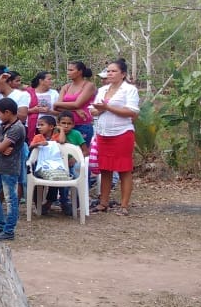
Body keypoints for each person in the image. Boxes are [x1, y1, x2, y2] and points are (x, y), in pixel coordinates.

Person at [90, 59, 140, 216]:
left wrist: (107, 107)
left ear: (123, 74)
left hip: (122, 132)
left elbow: (132, 112)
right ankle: (103, 202)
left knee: (124, 169)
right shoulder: (103, 89)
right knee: (105, 168)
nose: (110, 73)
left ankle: (124, 205)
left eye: (114, 71)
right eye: (108, 71)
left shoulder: (129, 90)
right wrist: (100, 110)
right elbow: (93, 110)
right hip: (103, 133)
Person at [0, 97, 26, 241]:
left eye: (0, 114)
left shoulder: (17, 128)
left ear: (8, 112)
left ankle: (9, 230)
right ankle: (0, 225)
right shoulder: (5, 125)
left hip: (9, 169)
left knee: (10, 199)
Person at [54, 61, 97, 145]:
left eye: (71, 70)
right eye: (68, 70)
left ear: (80, 71)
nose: (68, 73)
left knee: (81, 153)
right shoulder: (66, 87)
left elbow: (77, 104)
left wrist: (75, 107)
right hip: (65, 127)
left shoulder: (88, 86)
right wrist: (76, 109)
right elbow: (56, 107)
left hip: (82, 125)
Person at [26, 71, 59, 139]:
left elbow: (60, 112)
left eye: (51, 79)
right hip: (32, 126)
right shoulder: (28, 93)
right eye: (49, 79)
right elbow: (20, 112)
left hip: (50, 128)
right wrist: (33, 110)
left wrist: (49, 111)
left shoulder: (54, 93)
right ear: (41, 81)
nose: (51, 81)